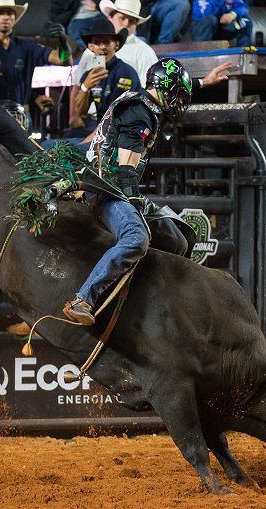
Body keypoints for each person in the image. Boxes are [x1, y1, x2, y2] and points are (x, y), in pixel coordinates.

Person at [51, 58, 231, 325]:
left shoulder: (142, 97)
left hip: (116, 185)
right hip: (105, 188)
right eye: (178, 95)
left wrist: (204, 82)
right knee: (136, 237)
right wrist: (134, 202)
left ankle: (158, 299)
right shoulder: (139, 112)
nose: (180, 101)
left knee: (177, 240)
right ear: (165, 89)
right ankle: (84, 298)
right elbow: (125, 169)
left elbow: (173, 85)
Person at [0, 0, 73, 113]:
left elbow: (64, 61)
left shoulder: (28, 47)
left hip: (20, 117)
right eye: (1, 12)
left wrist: (63, 41)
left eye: (10, 13)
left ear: (15, 18)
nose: (6, 17)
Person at [71, 0, 156, 131]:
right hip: (89, 119)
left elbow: (149, 91)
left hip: (121, 121)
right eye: (122, 18)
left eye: (132, 21)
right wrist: (73, 116)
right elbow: (77, 86)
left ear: (116, 45)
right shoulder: (89, 52)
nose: (127, 24)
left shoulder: (144, 51)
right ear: (110, 17)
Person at [72, 19, 140, 136]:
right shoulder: (89, 76)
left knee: (53, 146)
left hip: (123, 134)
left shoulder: (126, 73)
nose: (102, 47)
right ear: (90, 46)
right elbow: (79, 115)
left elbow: (117, 118)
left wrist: (90, 140)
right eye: (98, 42)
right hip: (99, 132)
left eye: (107, 42)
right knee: (56, 142)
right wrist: (85, 88)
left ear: (116, 45)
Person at [190, 0, 254, 47]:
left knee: (245, 20)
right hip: (200, 30)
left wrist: (233, 14)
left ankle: (243, 52)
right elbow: (207, 14)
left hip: (219, 28)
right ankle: (201, 53)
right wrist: (223, 3)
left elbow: (243, 7)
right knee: (211, 19)